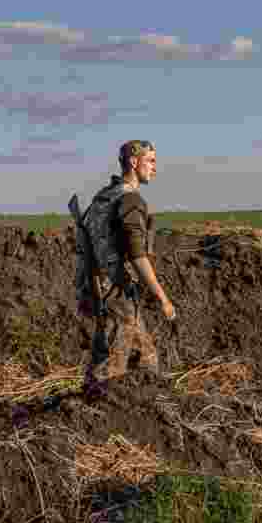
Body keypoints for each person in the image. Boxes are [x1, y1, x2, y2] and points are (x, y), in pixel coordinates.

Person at [84, 140, 176, 396]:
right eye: (151, 161)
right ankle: (91, 411)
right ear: (134, 163)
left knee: (145, 357)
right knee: (110, 366)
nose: (155, 168)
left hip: (99, 284)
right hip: (117, 290)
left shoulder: (105, 195)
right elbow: (137, 256)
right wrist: (162, 297)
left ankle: (148, 406)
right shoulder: (130, 200)